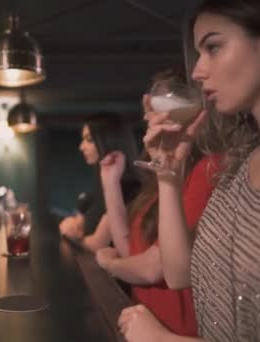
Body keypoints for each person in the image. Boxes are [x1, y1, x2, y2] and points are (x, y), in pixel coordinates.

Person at [118, 1, 260, 341]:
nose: (198, 71)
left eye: (213, 47)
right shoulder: (240, 164)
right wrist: (169, 175)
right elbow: (179, 274)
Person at [95, 68, 221, 336]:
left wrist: (109, 265)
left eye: (163, 95)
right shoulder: (164, 175)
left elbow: (153, 268)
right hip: (144, 326)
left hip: (175, 331)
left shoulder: (207, 169)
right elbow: (132, 250)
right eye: (154, 97)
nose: (149, 108)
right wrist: (110, 183)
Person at [59, 113, 140, 249]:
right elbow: (88, 216)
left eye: (89, 139)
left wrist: (72, 236)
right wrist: (77, 223)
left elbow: (97, 244)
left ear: (108, 141)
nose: (81, 147)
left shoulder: (126, 190)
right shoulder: (101, 183)